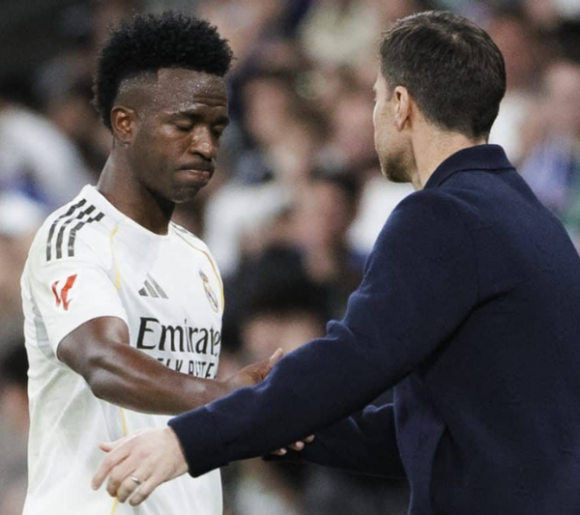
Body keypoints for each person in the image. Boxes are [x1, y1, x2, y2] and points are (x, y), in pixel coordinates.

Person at [93, 11, 580, 515]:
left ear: (401, 104)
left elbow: (351, 359)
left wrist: (186, 441)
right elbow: (440, 434)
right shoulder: (533, 220)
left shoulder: (441, 216)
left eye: (376, 97)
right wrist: (280, 421)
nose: (374, 116)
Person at [20, 12, 288, 515]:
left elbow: (188, 410)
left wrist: (264, 412)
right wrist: (230, 397)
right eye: (184, 125)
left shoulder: (198, 256)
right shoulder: (74, 237)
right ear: (125, 123)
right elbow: (103, 362)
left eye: (216, 128)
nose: (206, 146)